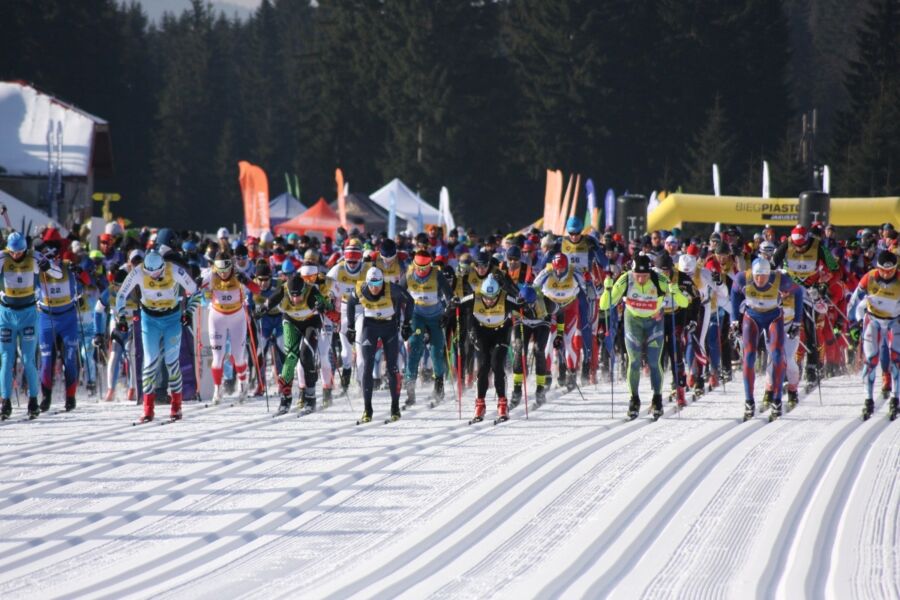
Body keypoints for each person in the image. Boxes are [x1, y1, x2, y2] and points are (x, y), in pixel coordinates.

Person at [599, 254, 689, 421]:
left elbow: (683, 304)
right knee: (633, 361)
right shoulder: (626, 279)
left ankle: (657, 398)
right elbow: (604, 305)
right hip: (633, 321)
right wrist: (607, 289)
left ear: (650, 273)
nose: (640, 279)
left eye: (644, 276)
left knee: (655, 362)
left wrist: (675, 291)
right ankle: (634, 399)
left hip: (654, 322)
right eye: (637, 275)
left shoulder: (659, 279)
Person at [115, 249, 199, 422]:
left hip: (172, 319)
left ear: (163, 267)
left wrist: (189, 312)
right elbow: (121, 295)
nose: (153, 277)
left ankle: (176, 407)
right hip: (149, 320)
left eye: (157, 273)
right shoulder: (138, 272)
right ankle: (148, 410)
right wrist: (121, 317)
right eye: (150, 273)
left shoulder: (174, 270)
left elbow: (196, 292)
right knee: (150, 362)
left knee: (171, 362)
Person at [730, 258, 803, 421]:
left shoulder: (779, 280)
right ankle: (749, 401)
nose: (759, 280)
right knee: (748, 357)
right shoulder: (744, 278)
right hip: (752, 317)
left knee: (777, 355)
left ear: (769, 274)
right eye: (757, 276)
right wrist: (734, 320)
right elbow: (734, 294)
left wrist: (797, 322)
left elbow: (798, 293)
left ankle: (777, 400)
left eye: (763, 276)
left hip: (774, 317)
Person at [0, 233, 58, 420]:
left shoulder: (34, 257)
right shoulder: (2, 258)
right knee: (7, 359)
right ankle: (5, 401)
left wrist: (47, 266)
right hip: (6, 314)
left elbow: (57, 273)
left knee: (28, 359)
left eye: (20, 252)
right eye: (13, 252)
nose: (16, 256)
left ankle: (33, 400)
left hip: (28, 314)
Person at [345, 267, 415, 423]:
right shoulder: (361, 289)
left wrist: (406, 324)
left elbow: (410, 300)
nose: (375, 287)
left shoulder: (392, 289)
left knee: (392, 368)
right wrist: (350, 326)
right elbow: (350, 303)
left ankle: (395, 408)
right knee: (367, 366)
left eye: (378, 283)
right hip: (370, 327)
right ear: (367, 282)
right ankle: (367, 409)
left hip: (389, 328)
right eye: (372, 284)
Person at [259, 273, 332, 415]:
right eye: (292, 295)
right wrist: (261, 309)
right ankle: (285, 398)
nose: (295, 299)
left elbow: (326, 305)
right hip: (291, 322)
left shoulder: (311, 291)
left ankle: (310, 398)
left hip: (311, 323)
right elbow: (270, 302)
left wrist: (322, 305)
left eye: (298, 295)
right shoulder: (283, 289)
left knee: (306, 356)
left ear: (303, 289)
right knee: (291, 357)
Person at [200, 250, 259, 403]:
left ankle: (243, 383)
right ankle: (217, 389)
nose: (224, 274)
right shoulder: (211, 274)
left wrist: (246, 282)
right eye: (220, 271)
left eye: (226, 271)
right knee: (217, 357)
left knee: (238, 356)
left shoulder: (238, 273)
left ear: (231, 267)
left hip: (236, 318)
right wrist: (197, 283)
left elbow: (258, 290)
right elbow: (191, 287)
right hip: (217, 317)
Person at [847, 250, 900, 421]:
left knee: (896, 359)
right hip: (874, 320)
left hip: (894, 321)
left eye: (890, 270)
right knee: (871, 360)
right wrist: (853, 325)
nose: (886, 274)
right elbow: (854, 301)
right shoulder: (869, 278)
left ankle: (895, 397)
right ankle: (868, 399)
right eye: (883, 270)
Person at [463, 274, 521, 423]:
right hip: (481, 334)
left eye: (493, 297)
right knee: (483, 366)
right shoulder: (474, 297)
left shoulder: (506, 297)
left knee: (496, 365)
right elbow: (456, 305)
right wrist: (448, 311)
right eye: (486, 297)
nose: (489, 301)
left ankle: (502, 404)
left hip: (500, 333)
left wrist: (524, 305)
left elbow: (522, 306)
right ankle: (480, 404)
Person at [36, 242, 83, 412]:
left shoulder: (67, 268)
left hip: (67, 320)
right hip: (46, 319)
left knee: (70, 359)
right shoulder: (37, 272)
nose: (51, 262)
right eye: (47, 258)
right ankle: (46, 397)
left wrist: (80, 275)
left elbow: (86, 282)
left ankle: (70, 397)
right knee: (47, 360)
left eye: (54, 258)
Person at [403, 250, 453, 407]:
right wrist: (404, 322)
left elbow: (450, 297)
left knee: (436, 353)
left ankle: (439, 387)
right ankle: (410, 391)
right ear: (414, 264)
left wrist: (447, 314)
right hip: (417, 318)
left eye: (426, 267)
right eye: (419, 267)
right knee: (415, 347)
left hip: (435, 317)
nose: (422, 271)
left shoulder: (437, 275)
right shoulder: (408, 275)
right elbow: (397, 294)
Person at [512, 284, 552, 406]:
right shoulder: (515, 303)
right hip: (523, 322)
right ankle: (517, 389)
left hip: (541, 323)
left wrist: (560, 334)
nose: (529, 307)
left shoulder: (545, 302)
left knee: (539, 350)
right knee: (519, 349)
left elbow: (559, 314)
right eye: (526, 305)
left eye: (532, 304)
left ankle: (540, 388)